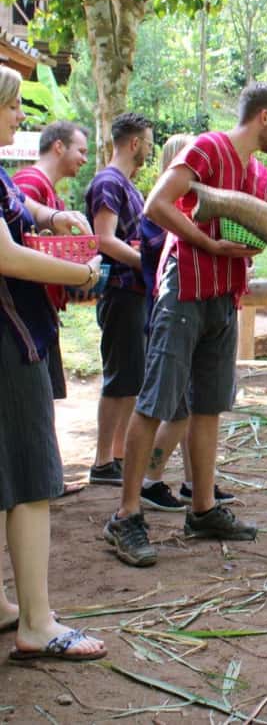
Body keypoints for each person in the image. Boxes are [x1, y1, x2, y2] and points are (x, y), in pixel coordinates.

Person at [105, 82, 267, 566]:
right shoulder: (208, 148)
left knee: (209, 406)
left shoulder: (258, 175)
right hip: (185, 290)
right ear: (263, 117)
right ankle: (126, 515)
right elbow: (158, 203)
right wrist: (209, 244)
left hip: (224, 296)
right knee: (156, 402)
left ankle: (202, 509)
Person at [0, 64, 106, 661]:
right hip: (10, 339)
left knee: (3, 477)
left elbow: (19, 211)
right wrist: (80, 273)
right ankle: (38, 624)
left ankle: (2, 604)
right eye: (13, 105)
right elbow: (6, 256)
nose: (21, 116)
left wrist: (50, 217)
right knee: (32, 480)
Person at [136, 133, 236, 512]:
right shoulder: (163, 216)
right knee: (174, 411)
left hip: (196, 315)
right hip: (171, 314)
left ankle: (197, 486)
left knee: (198, 408)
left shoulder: (188, 211)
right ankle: (148, 481)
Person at [13, 121, 91, 496]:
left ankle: (50, 477)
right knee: (31, 408)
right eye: (81, 150)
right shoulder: (29, 182)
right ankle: (40, 481)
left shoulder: (40, 190)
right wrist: (79, 272)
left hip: (39, 313)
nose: (85, 159)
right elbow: (20, 251)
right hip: (21, 318)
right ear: (58, 147)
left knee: (42, 403)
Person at [84, 112, 154, 486]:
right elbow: (105, 240)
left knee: (131, 379)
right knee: (119, 378)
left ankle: (118, 454)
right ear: (134, 143)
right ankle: (102, 462)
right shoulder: (109, 182)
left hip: (135, 293)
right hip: (121, 292)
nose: (151, 149)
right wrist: (146, 261)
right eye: (149, 142)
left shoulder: (127, 184)